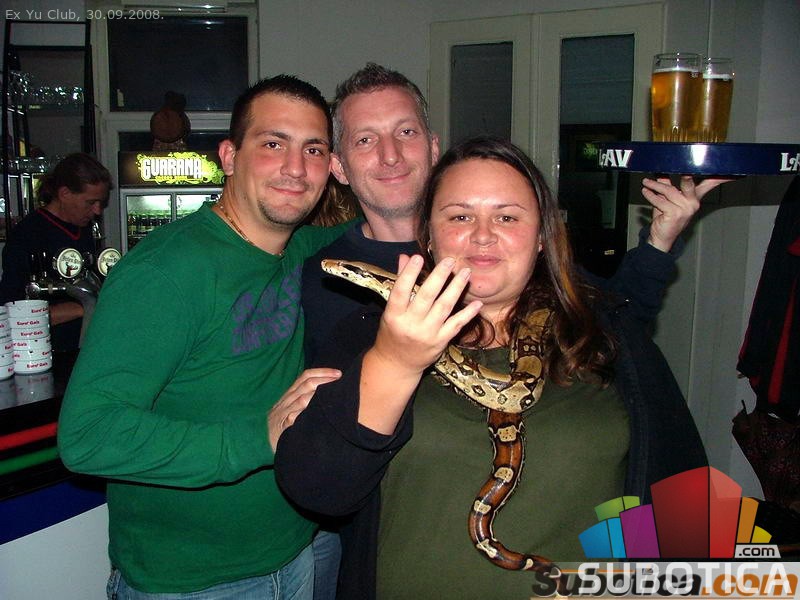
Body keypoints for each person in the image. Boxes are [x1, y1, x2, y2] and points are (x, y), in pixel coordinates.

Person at [276, 63, 727, 598]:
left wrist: (658, 244)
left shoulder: (601, 326)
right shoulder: (361, 327)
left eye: (508, 217)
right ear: (428, 237)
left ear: (542, 235)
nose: (483, 236)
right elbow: (320, 489)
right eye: (460, 217)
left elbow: (683, 494)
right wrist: (389, 364)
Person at [57, 75, 349, 599]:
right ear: (230, 157)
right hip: (193, 583)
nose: (295, 167)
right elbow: (88, 436)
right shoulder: (165, 273)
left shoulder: (303, 251)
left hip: (297, 550)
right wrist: (258, 438)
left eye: (313, 149)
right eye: (273, 143)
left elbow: (377, 230)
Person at [0, 152, 111, 352]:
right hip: (44, 353)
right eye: (90, 202)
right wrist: (85, 306)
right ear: (65, 194)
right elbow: (11, 312)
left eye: (101, 203)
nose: (97, 211)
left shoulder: (85, 229)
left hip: (85, 347)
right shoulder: (28, 234)